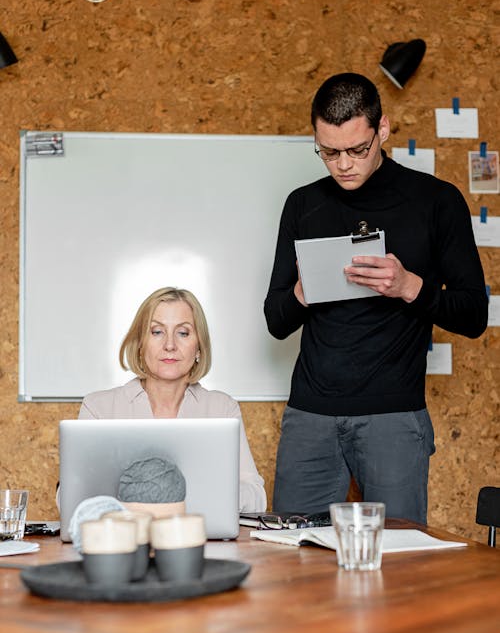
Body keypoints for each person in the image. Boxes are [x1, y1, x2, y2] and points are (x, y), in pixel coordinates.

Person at [264, 72, 488, 524]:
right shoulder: (302, 205)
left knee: (398, 564)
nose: (343, 164)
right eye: (328, 152)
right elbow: (275, 319)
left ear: (382, 130)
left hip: (394, 416)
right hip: (310, 416)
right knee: (292, 561)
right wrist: (305, 292)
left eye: (356, 149)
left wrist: (410, 287)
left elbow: (474, 315)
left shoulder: (437, 201)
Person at [79, 287, 266, 513]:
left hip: (199, 541)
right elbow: (70, 496)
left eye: (183, 333)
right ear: (140, 344)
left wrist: (185, 496)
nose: (169, 345)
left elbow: (256, 496)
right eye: (157, 332)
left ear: (199, 347)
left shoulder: (222, 409)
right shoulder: (99, 408)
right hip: (122, 541)